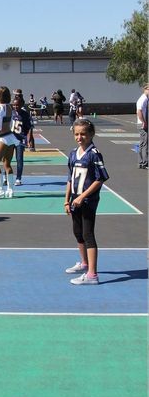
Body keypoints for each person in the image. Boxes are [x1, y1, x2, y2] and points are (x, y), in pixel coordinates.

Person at [64, 119, 109, 285]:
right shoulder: (73, 153)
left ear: (91, 134)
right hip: (74, 200)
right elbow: (70, 178)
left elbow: (101, 178)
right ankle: (84, 263)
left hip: (88, 201)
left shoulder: (94, 154)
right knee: (78, 232)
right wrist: (66, 200)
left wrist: (83, 196)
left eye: (83, 133)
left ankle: (92, 275)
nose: (79, 137)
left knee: (88, 234)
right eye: (76, 134)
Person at [11, 97, 34, 185]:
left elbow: (29, 129)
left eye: (17, 105)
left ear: (21, 105)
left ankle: (18, 178)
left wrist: (28, 140)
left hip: (20, 139)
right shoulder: (11, 113)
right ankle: (6, 177)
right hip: (10, 139)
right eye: (14, 105)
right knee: (7, 159)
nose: (15, 106)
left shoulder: (25, 114)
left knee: (19, 159)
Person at [136, 84, 149, 169]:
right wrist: (144, 122)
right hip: (142, 123)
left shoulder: (146, 99)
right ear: (145, 89)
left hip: (142, 123)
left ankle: (141, 162)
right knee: (145, 144)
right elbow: (139, 111)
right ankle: (145, 162)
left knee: (142, 143)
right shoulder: (143, 99)